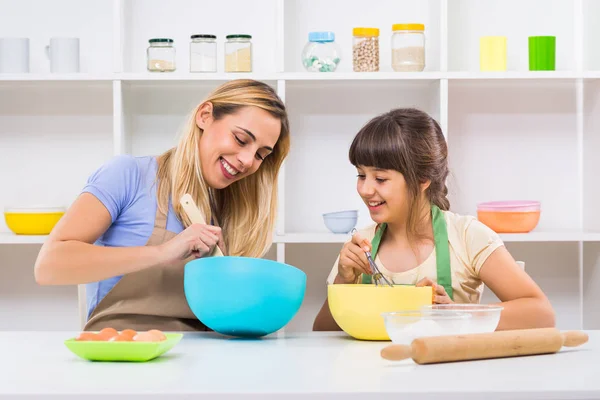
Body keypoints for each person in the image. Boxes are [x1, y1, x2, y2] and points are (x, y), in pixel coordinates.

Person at [34, 79, 290, 332]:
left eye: (260, 155)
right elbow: (48, 266)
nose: (247, 160)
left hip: (203, 361)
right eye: (241, 139)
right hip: (121, 356)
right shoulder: (129, 175)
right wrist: (164, 252)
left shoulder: (233, 212)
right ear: (205, 116)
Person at [313, 108, 555, 332]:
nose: (365, 189)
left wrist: (457, 313)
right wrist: (344, 279)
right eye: (361, 175)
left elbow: (541, 314)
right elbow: (323, 332)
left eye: (381, 179)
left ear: (422, 179)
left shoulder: (467, 236)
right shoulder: (362, 244)